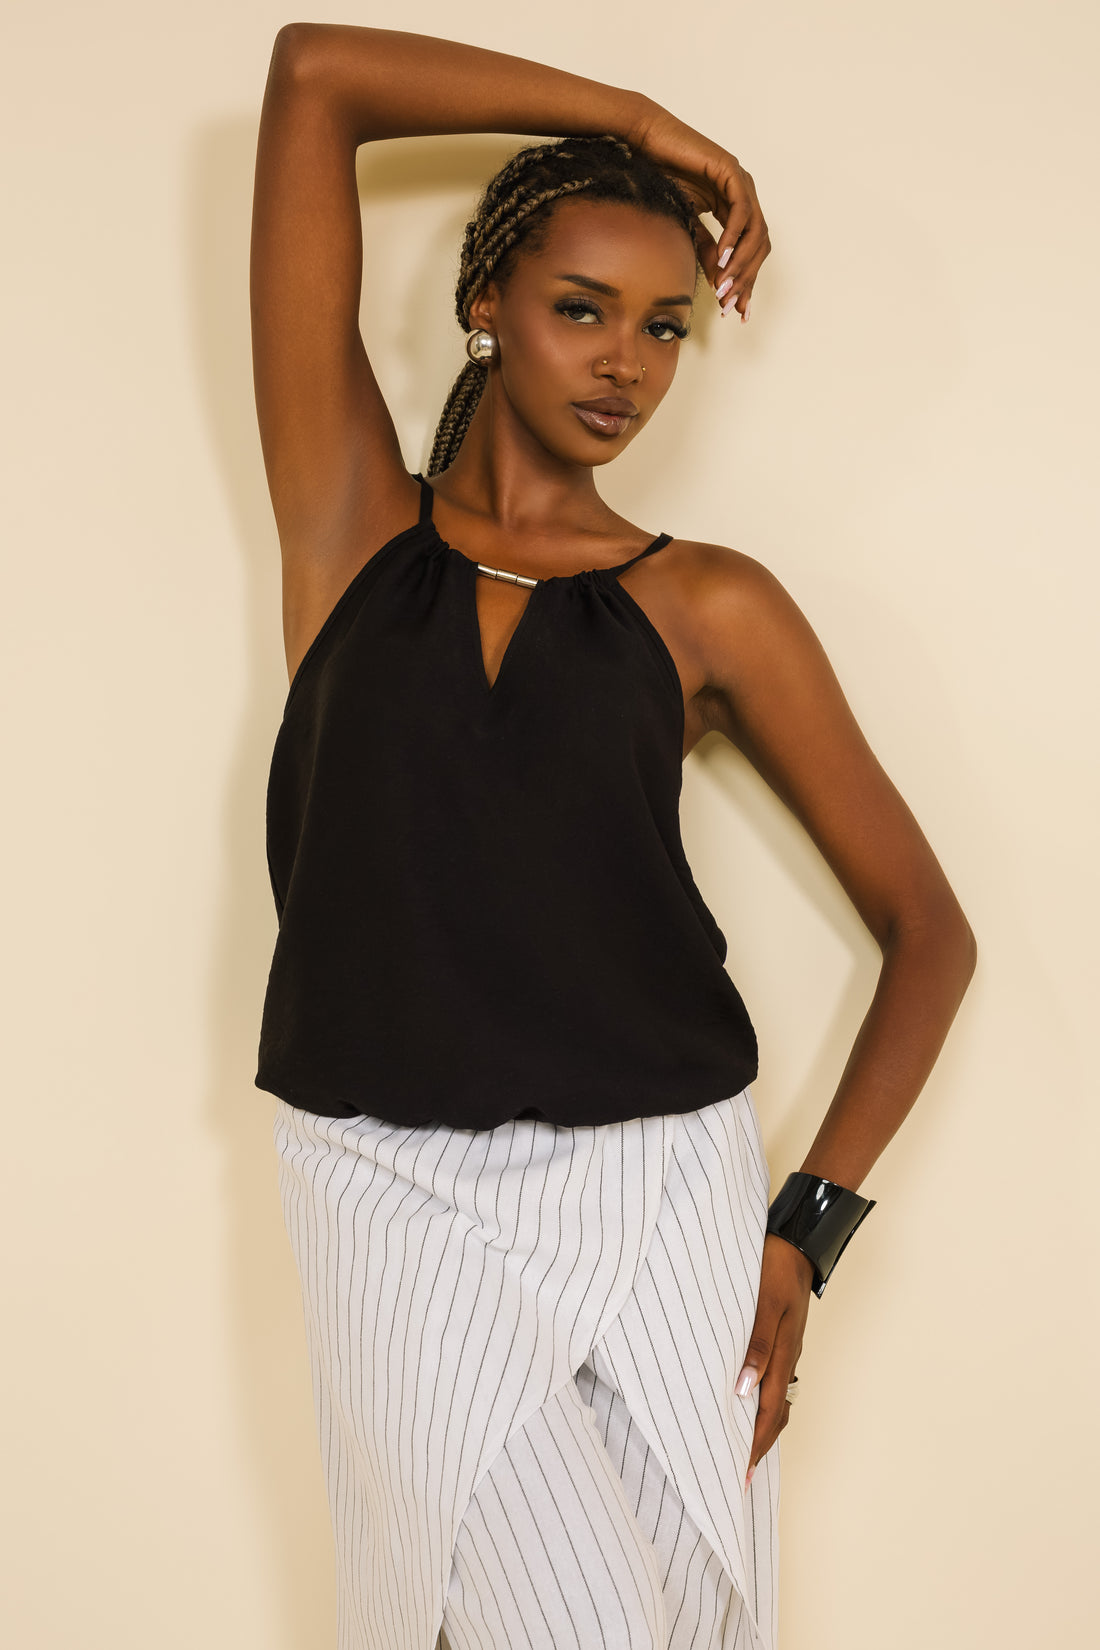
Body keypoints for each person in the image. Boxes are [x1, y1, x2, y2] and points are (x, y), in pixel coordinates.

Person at [248, 23, 977, 1650]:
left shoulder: (709, 602)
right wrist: (642, 122)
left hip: (669, 1189)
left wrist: (807, 1225)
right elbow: (313, 80)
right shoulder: (351, 523)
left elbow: (931, 932)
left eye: (664, 326)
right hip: (389, 1182)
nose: (625, 365)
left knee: (689, 1621)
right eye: (581, 308)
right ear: (485, 303)